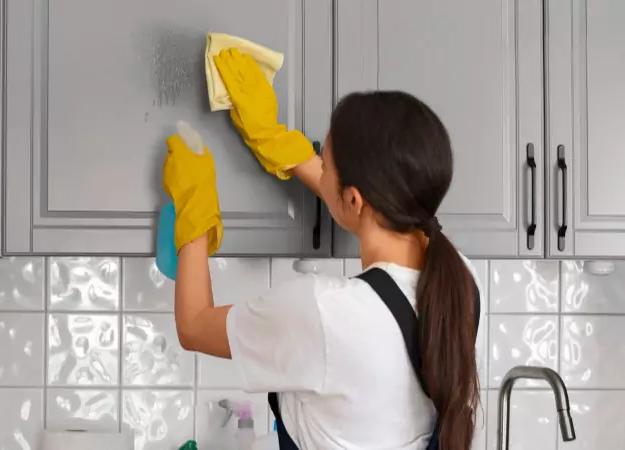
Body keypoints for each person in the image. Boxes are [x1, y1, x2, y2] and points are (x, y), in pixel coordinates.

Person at [162, 48, 483, 450]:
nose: (319, 166)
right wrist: (274, 138)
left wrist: (194, 205)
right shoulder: (462, 282)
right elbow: (373, 204)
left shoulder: (325, 313)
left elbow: (193, 326)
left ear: (353, 200)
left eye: (324, 162)